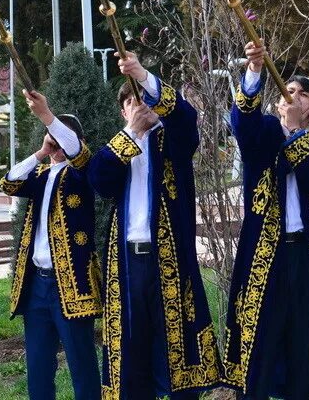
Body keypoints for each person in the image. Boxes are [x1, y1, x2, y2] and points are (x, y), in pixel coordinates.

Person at [87, 52, 221, 399]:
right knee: (130, 347)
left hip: (169, 260)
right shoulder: (118, 146)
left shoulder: (173, 140)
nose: (140, 105)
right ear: (123, 111)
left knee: (176, 344)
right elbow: (100, 180)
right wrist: (131, 133)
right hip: (128, 261)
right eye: (131, 100)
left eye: (144, 97)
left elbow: (186, 117)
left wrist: (143, 75)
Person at [222, 42, 309, 399]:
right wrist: (255, 71)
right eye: (289, 91)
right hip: (263, 256)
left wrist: (296, 134)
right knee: (258, 342)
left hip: (303, 255)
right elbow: (241, 122)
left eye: (303, 95)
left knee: (303, 342)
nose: (294, 97)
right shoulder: (264, 135)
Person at [0, 90, 100, 400]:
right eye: (51, 137)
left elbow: (77, 152)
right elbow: (9, 184)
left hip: (70, 285)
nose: (56, 144)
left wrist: (50, 119)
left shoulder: (85, 172)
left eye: (61, 138)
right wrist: (40, 153)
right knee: (39, 365)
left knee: (81, 363)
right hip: (37, 286)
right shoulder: (41, 173)